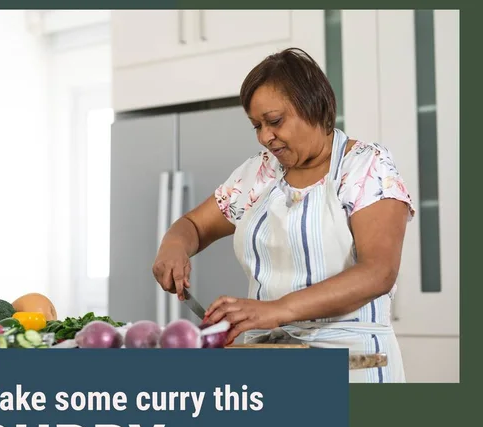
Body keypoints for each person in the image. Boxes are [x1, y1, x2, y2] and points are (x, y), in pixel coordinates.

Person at [152, 48, 414, 383]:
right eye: (256, 126)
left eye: (274, 121)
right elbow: (192, 226)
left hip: (353, 365)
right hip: (269, 362)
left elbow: (378, 272)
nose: (265, 137)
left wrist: (277, 310)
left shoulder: (365, 166)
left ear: (314, 107)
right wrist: (173, 246)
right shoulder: (258, 174)